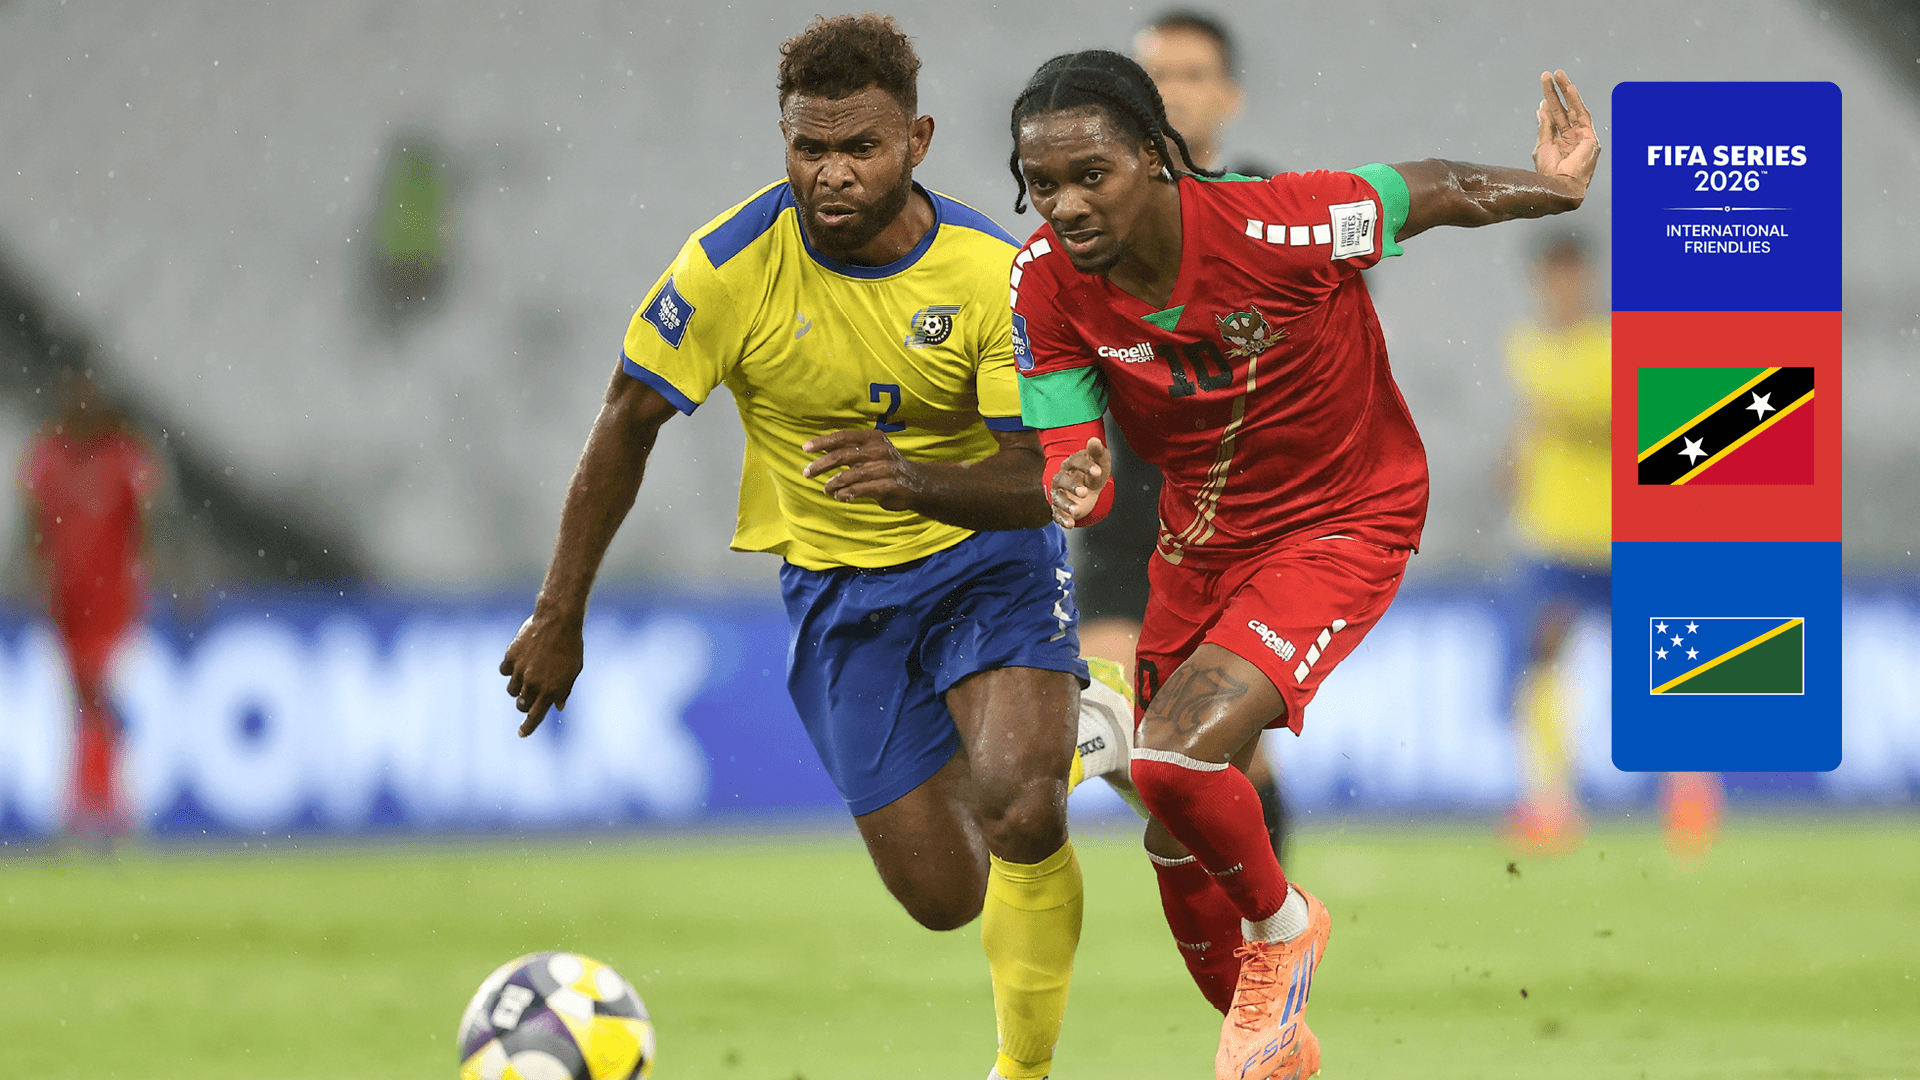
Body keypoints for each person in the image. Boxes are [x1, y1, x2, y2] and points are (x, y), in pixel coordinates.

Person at [497, 17, 1134, 1080]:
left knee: (1021, 809)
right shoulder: (727, 267)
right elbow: (625, 420)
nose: (832, 173)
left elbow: (1047, 482)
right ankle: (1090, 721)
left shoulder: (993, 273)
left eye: (861, 148)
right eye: (810, 148)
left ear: (917, 141)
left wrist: (913, 478)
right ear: (785, 141)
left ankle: (1021, 1068)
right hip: (839, 592)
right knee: (947, 895)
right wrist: (559, 612)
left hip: (985, 564)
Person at [1007, 51, 1598, 1079]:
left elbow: (1432, 189)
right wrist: (1072, 477)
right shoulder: (1045, 280)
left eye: (1089, 174)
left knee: (1171, 760)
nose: (1066, 204)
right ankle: (1274, 1041)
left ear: (1155, 157)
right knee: (1173, 828)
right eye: (1042, 183)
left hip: (1344, 518)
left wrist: (1549, 187)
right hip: (1201, 544)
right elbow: (1075, 465)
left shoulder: (1275, 222)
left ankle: (1287, 927)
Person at [1094, 7, 1293, 864]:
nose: (1170, 93)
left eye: (1190, 75)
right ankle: (1251, 897)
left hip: (1247, 524)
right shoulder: (1089, 211)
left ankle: (1265, 918)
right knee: (1123, 723)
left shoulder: (1272, 207)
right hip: (1129, 518)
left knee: (1226, 761)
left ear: (1229, 96)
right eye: (1155, 77)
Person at [1501, 234, 1723, 860]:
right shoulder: (1531, 345)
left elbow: (1617, 413)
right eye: (1552, 276)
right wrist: (1518, 456)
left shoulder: (1601, 346)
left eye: (1570, 274)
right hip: (1553, 531)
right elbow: (1549, 418)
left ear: (1586, 278)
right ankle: (1551, 803)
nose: (1562, 287)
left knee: (1666, 662)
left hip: (1628, 531)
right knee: (1542, 661)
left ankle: (1689, 793)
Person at [19, 369, 162, 846]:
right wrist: (32, 580)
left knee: (103, 703)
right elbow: (31, 526)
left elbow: (151, 525)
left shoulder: (125, 456)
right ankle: (83, 809)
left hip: (116, 607)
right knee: (74, 708)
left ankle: (108, 808)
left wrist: (156, 578)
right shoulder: (46, 457)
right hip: (64, 607)